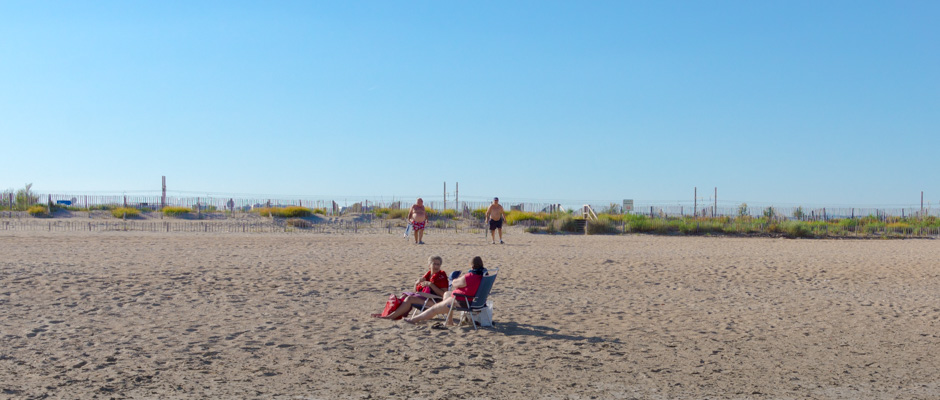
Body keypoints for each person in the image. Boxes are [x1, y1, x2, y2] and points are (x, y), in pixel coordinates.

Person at [405, 256, 485, 325]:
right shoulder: (483, 276)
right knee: (446, 294)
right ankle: (449, 321)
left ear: (471, 266)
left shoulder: (470, 276)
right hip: (474, 301)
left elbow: (455, 284)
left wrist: (455, 278)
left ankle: (414, 319)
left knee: (434, 309)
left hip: (462, 300)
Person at [372, 256, 449, 320]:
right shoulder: (427, 276)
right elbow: (416, 292)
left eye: (438, 264)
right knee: (403, 297)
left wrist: (431, 285)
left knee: (409, 299)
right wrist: (416, 284)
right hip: (426, 299)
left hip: (437, 302)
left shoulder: (441, 276)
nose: (436, 266)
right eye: (434, 264)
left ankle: (390, 317)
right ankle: (387, 314)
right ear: (429, 265)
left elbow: (444, 295)